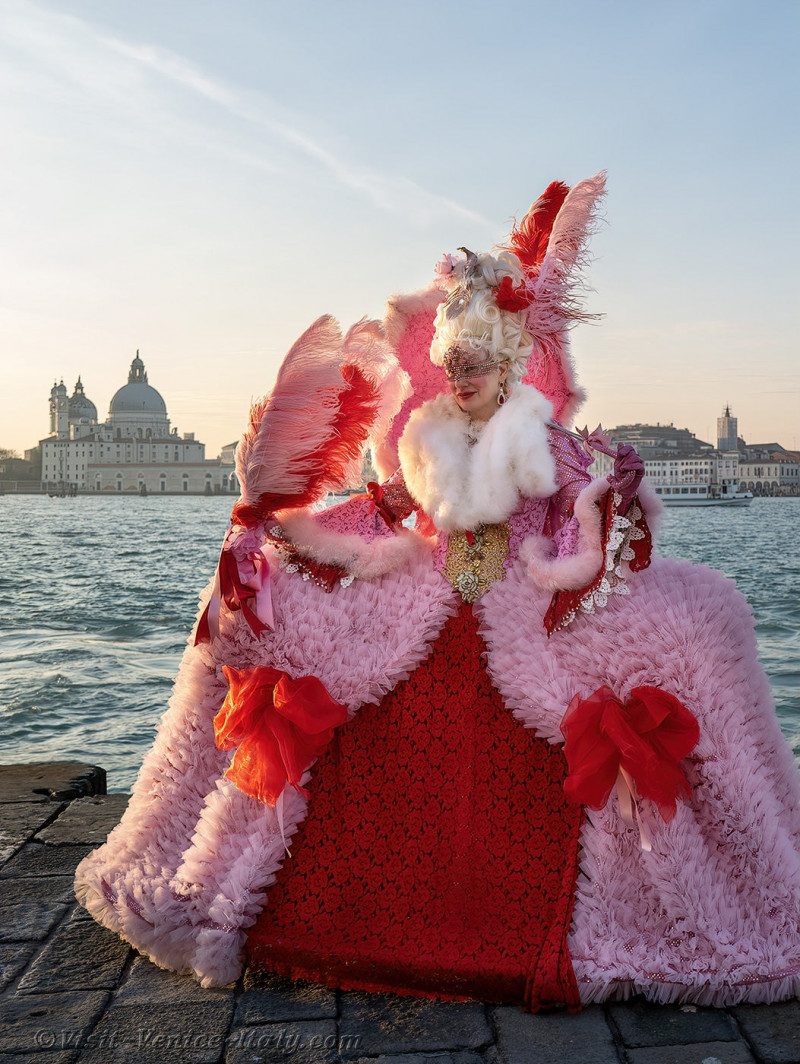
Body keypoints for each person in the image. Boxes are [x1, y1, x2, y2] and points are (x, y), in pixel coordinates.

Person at [75, 173, 800, 1010]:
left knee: (703, 617)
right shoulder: (422, 445)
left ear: (510, 367)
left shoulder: (552, 446)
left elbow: (592, 529)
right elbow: (384, 511)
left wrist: (580, 547)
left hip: (528, 605)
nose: (461, 377)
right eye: (452, 363)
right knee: (278, 621)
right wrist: (288, 532)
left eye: (478, 364)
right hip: (425, 599)